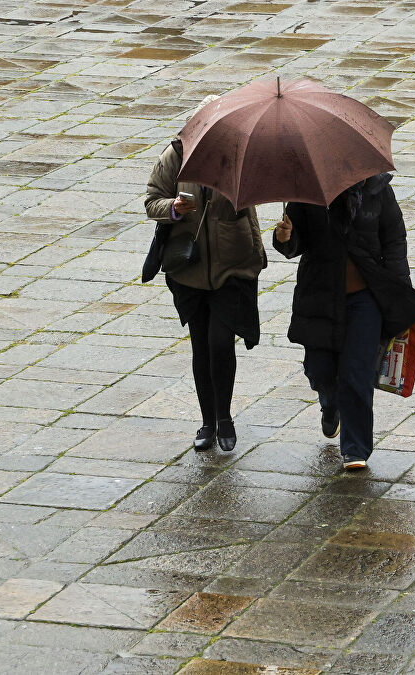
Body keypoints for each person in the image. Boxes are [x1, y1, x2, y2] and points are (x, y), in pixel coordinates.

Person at [273, 173, 415, 470]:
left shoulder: (378, 190)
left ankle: (355, 449)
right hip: (321, 294)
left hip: (366, 297)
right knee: (319, 370)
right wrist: (284, 238)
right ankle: (330, 403)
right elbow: (295, 243)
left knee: (356, 374)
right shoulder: (307, 190)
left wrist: (400, 295)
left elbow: (394, 240)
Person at [145, 97, 267, 453]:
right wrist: (174, 209)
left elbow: (258, 195)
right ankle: (206, 421)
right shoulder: (177, 155)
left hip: (233, 265)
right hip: (190, 269)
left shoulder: (239, 155)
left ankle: (225, 417)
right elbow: (152, 200)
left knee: (219, 342)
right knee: (201, 345)